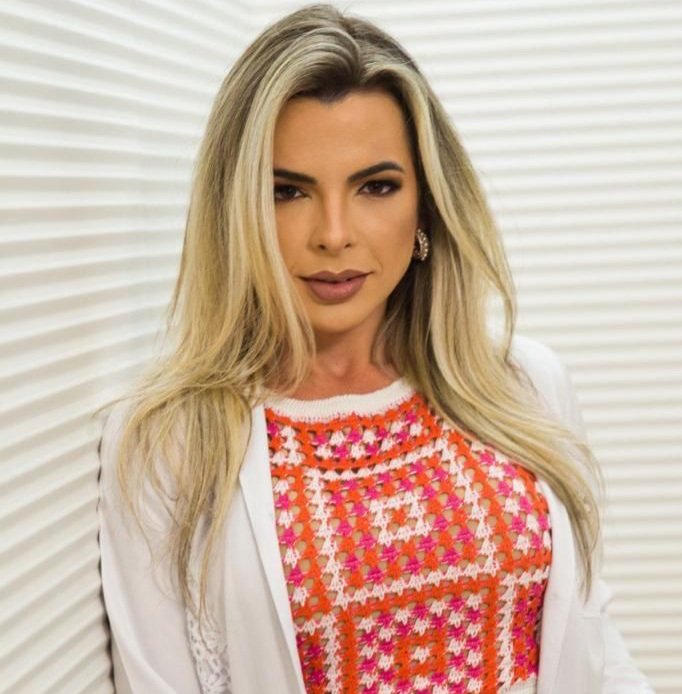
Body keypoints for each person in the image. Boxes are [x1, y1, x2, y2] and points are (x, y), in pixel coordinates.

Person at [97, 4, 654, 693]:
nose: (333, 234)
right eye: (287, 191)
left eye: (376, 187)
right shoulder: (170, 443)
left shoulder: (525, 385)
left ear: (426, 203)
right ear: (236, 210)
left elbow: (594, 643)